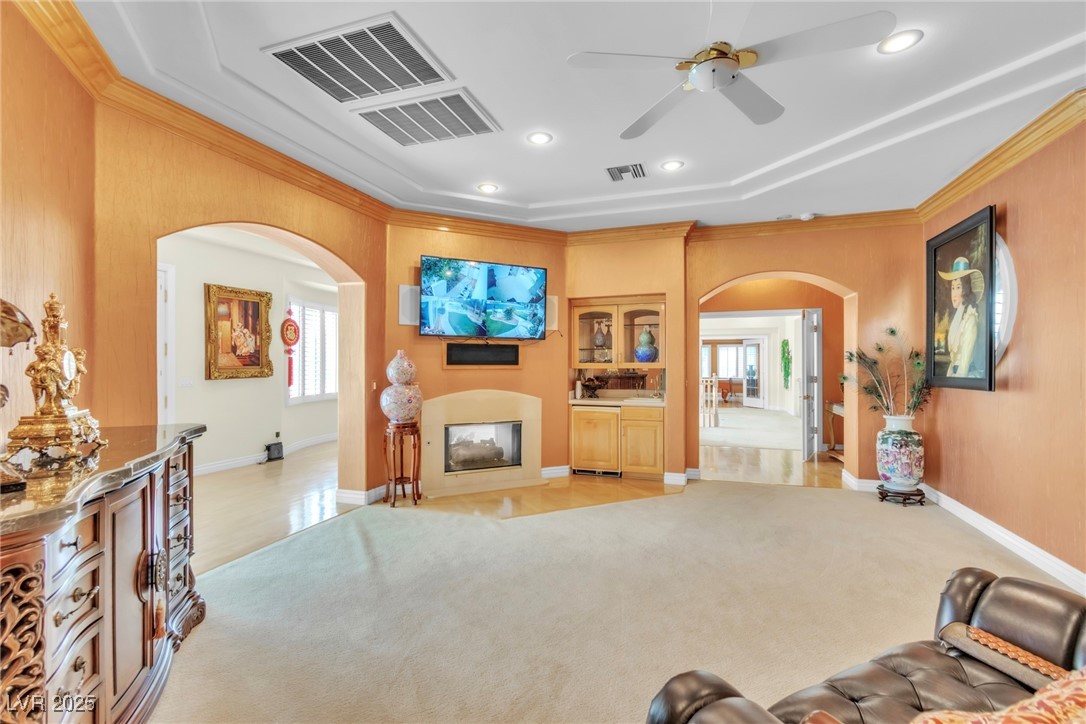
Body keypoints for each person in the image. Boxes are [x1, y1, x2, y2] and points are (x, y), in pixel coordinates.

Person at [938, 256, 984, 377]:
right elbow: (953, 361)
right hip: (955, 375)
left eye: (958, 287)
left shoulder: (970, 320)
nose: (954, 293)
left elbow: (963, 367)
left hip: (966, 376)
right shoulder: (958, 318)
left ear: (966, 290)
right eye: (953, 288)